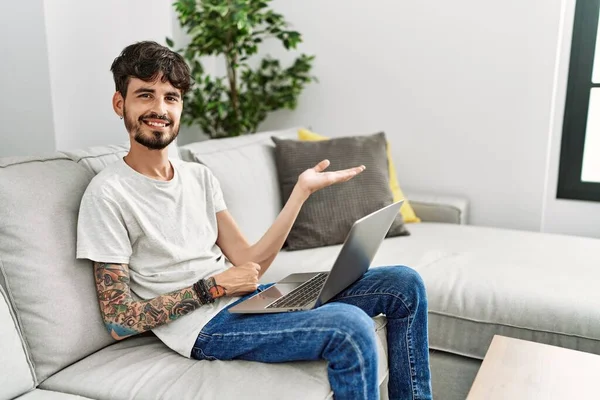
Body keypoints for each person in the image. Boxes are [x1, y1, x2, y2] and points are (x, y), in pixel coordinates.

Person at [76, 41, 432, 400]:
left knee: (404, 284)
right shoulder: (107, 194)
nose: (159, 108)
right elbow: (120, 319)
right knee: (350, 326)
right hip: (203, 327)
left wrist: (300, 194)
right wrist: (213, 287)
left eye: (171, 97)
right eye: (145, 95)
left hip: (246, 298)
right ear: (120, 103)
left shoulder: (199, 177)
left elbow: (250, 265)